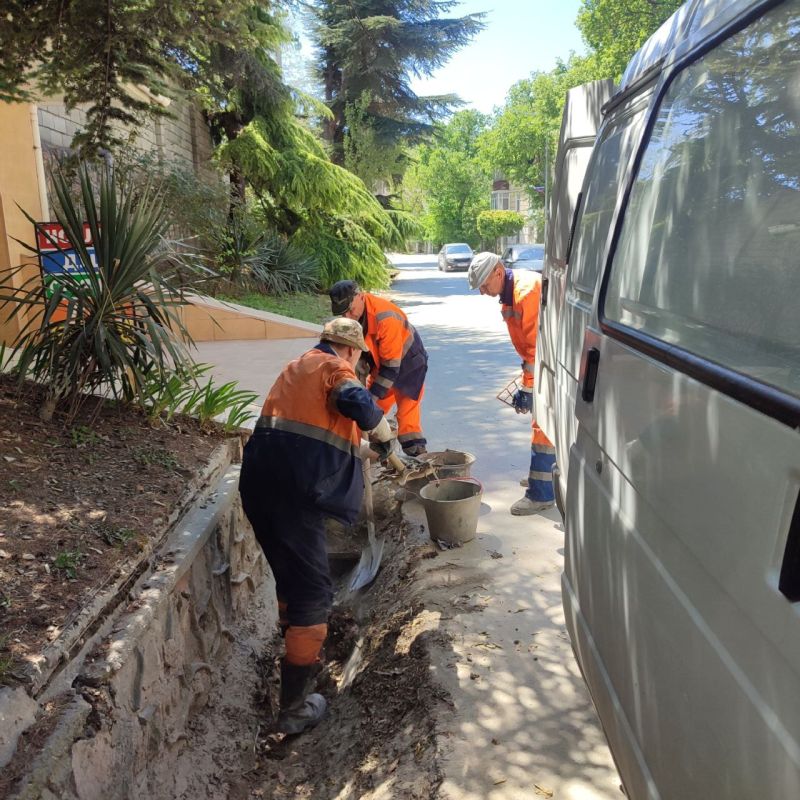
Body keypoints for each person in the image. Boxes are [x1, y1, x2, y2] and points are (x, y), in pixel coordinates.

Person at [238, 317, 393, 734]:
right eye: (358, 358)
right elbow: (358, 404)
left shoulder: (297, 368)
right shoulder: (334, 368)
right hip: (294, 496)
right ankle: (292, 709)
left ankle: (297, 654)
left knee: (290, 582)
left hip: (259, 488)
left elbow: (313, 433)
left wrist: (364, 450)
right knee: (313, 594)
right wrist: (384, 434)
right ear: (352, 350)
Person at [467, 252, 555, 516]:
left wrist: (528, 387)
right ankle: (546, 476)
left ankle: (541, 494)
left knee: (543, 426)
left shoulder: (525, 292)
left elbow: (536, 348)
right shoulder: (509, 293)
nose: (482, 292)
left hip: (551, 363)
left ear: (498, 271)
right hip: (545, 363)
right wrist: (527, 383)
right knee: (548, 424)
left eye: (484, 285)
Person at [328, 280, 428, 457]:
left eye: (351, 310)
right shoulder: (354, 317)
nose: (349, 316)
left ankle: (418, 456)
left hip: (409, 364)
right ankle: (363, 450)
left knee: (406, 416)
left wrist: (368, 399)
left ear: (360, 296)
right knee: (368, 411)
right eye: (343, 313)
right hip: (382, 364)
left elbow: (391, 368)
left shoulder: (385, 317)